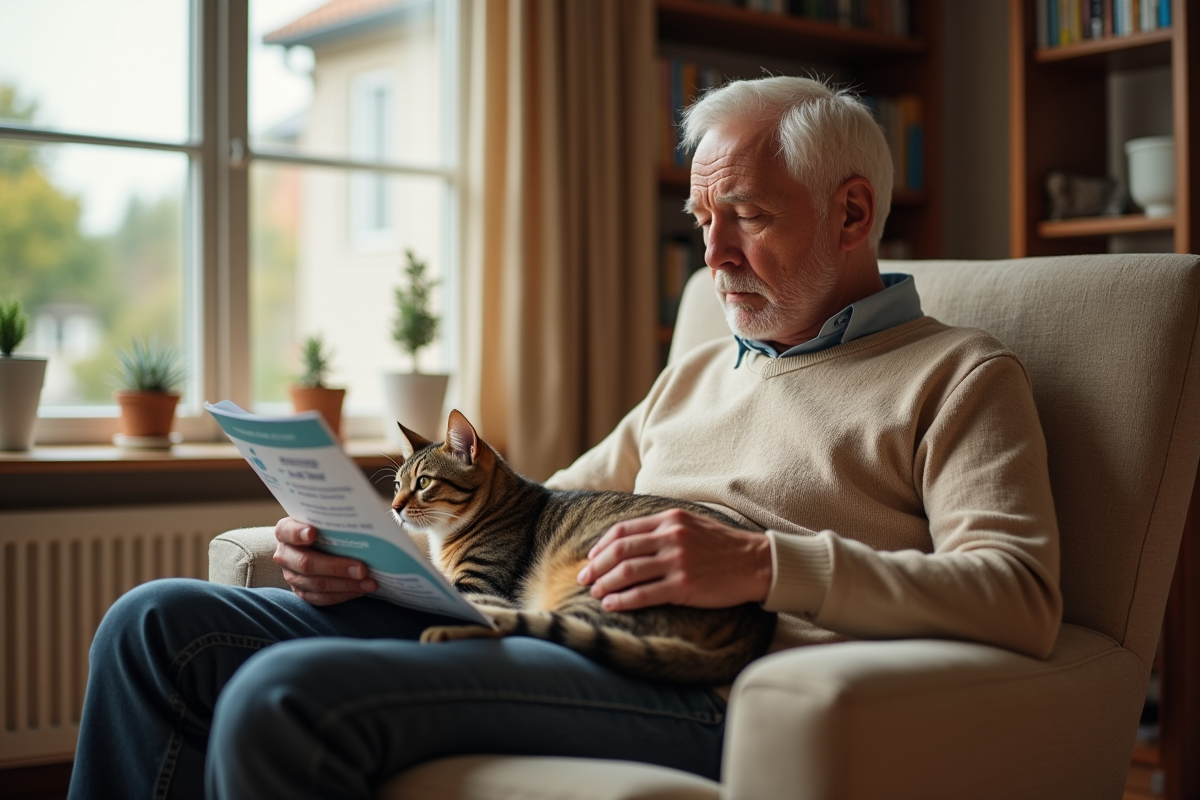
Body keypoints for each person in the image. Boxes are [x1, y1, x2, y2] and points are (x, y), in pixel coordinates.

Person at [67, 75, 1061, 800]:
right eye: (701, 217)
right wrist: (375, 556)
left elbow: (1020, 593)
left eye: (747, 216)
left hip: (705, 676)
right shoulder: (708, 364)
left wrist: (765, 563)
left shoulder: (960, 376)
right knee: (156, 624)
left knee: (285, 693)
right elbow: (535, 512)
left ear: (852, 212)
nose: (710, 256)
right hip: (551, 622)